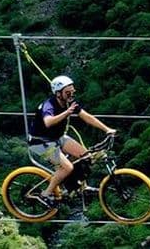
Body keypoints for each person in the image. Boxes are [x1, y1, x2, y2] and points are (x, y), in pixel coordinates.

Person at [28, 75, 116, 208]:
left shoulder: (70, 103)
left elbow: (87, 117)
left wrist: (107, 129)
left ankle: (80, 187)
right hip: (40, 143)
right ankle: (45, 195)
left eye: (72, 91)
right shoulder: (49, 105)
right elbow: (48, 122)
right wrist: (67, 113)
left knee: (86, 156)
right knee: (67, 167)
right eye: (67, 92)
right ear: (58, 94)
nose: (71, 94)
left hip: (57, 138)